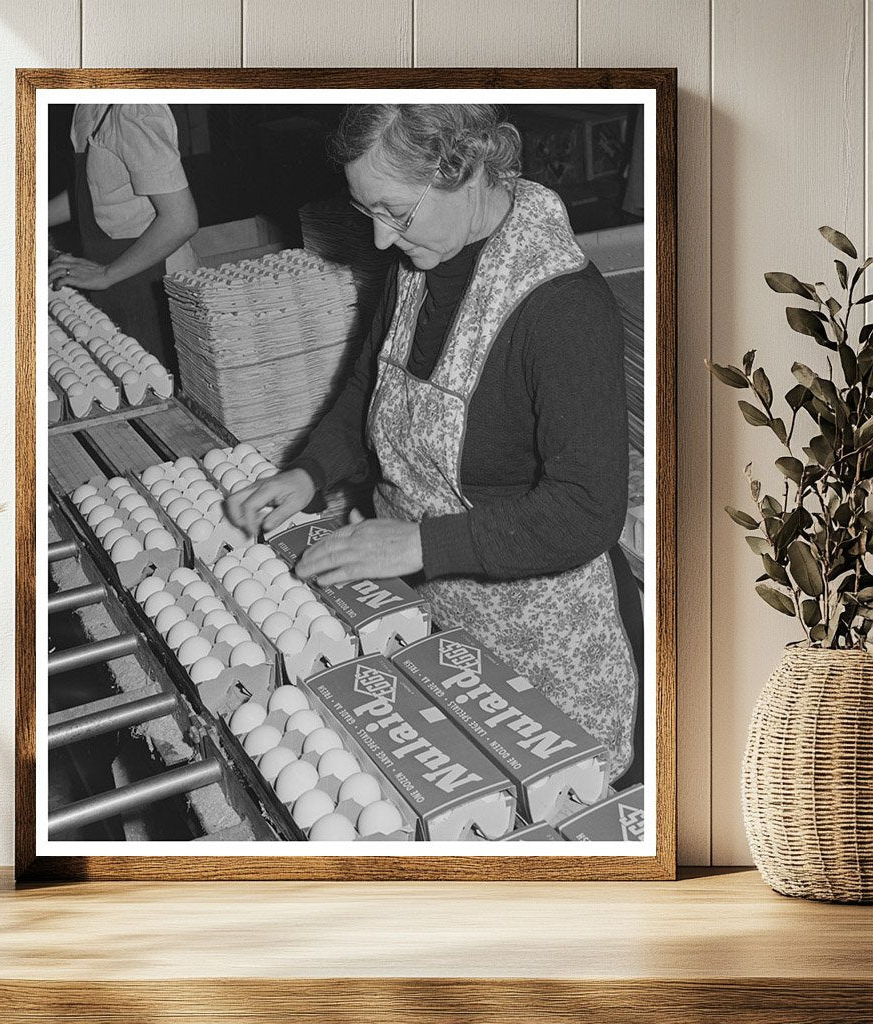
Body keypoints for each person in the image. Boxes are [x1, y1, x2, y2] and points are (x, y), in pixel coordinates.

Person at [227, 104, 637, 777]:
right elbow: (371, 386)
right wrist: (308, 474)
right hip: (429, 602)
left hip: (540, 636)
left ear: (469, 168)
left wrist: (420, 544)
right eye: (369, 214)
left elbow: (588, 510)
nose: (384, 243)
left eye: (398, 213)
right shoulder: (423, 257)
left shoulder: (562, 307)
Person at [47, 103, 200, 369]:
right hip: (116, 274)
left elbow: (181, 220)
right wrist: (23, 220)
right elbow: (93, 192)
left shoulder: (135, 110)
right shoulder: (86, 107)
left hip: (156, 283)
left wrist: (106, 274)